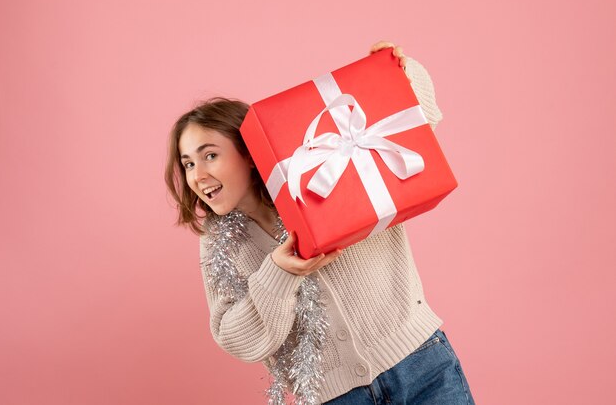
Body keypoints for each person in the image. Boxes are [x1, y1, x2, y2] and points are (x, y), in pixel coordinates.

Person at [165, 41, 475, 404]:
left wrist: (400, 70)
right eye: (188, 164)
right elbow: (235, 338)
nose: (198, 175)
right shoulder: (219, 242)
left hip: (422, 366)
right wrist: (279, 273)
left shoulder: (323, 169)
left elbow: (415, 124)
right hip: (335, 397)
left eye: (210, 156)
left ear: (249, 154)